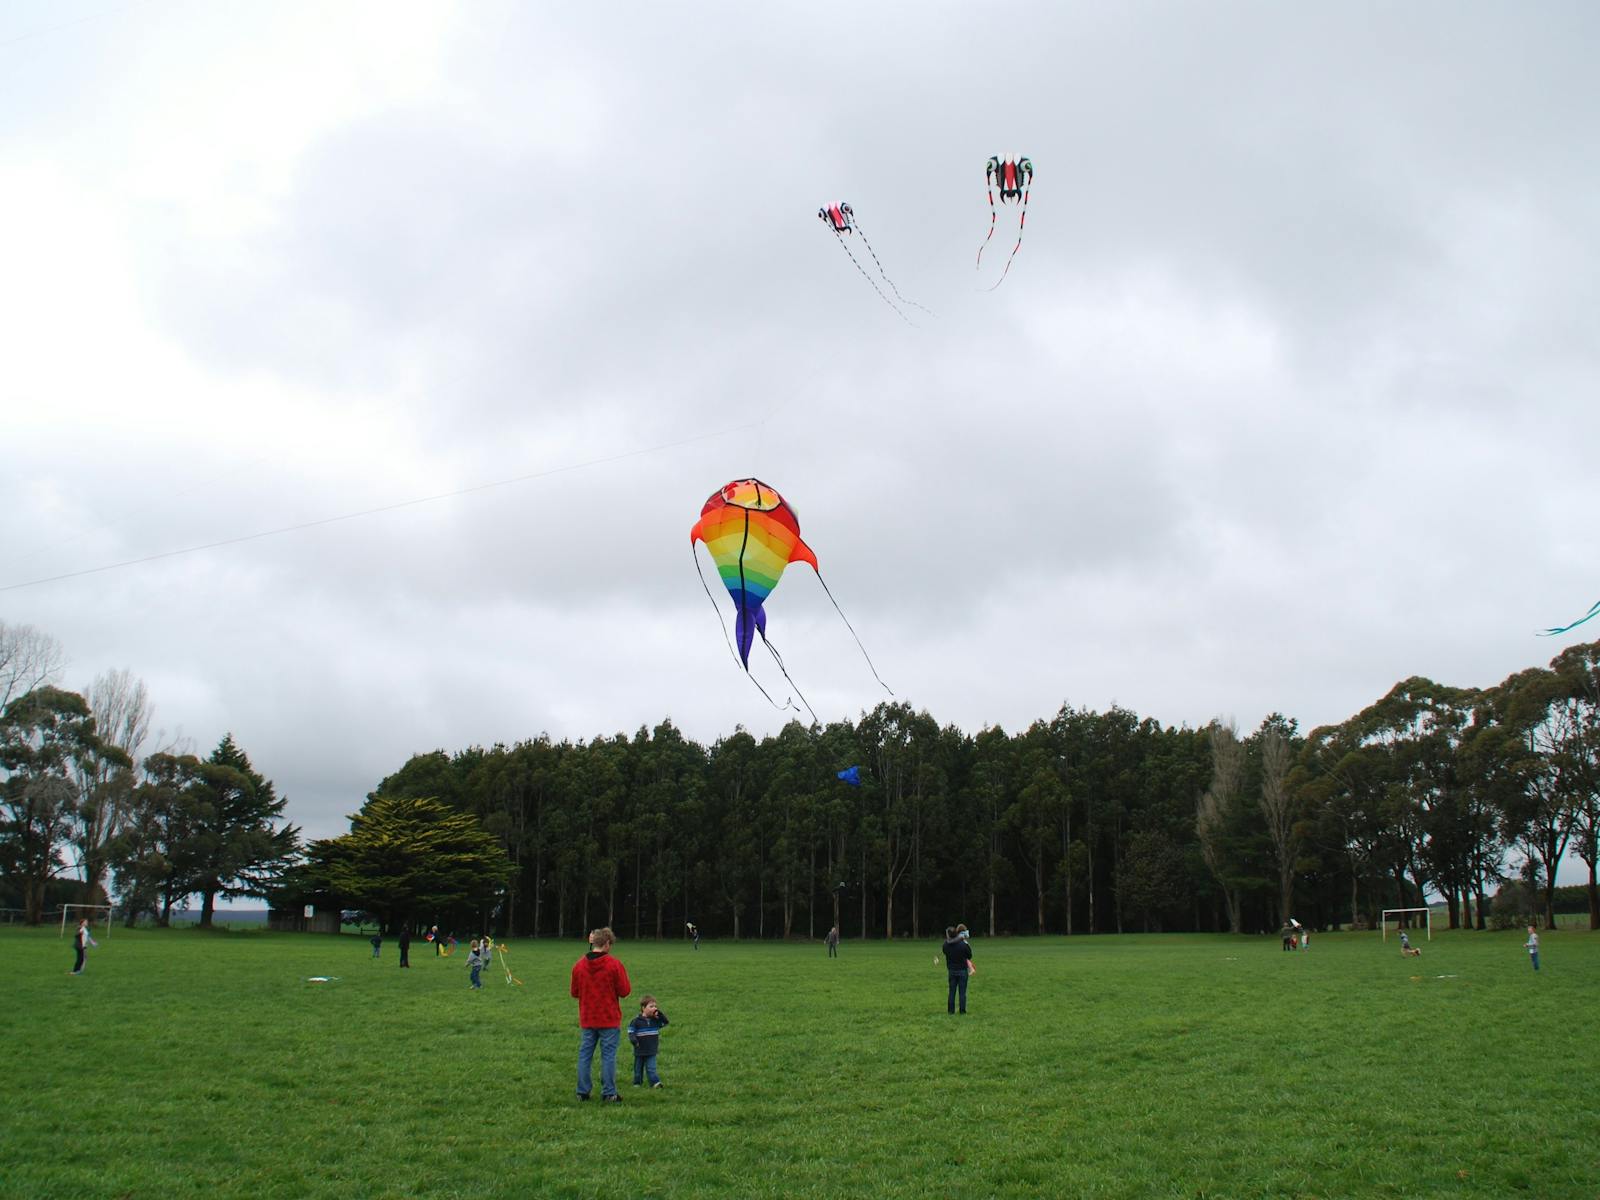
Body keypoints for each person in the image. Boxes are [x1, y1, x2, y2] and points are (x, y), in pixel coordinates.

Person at [571, 927, 632, 1103]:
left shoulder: (579, 965)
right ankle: (609, 1092)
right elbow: (625, 990)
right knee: (608, 1056)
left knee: (585, 1054)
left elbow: (575, 992)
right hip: (608, 1017)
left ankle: (582, 1091)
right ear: (606, 944)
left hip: (588, 1017)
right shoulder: (614, 964)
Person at [628, 995, 670, 1088]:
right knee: (638, 1069)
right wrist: (634, 1041)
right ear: (643, 1008)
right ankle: (637, 1082)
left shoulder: (655, 1021)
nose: (654, 1008)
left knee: (651, 1068)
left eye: (655, 1006)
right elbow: (631, 1032)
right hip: (639, 1049)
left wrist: (660, 1014)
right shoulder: (636, 1021)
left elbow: (666, 1022)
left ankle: (655, 1083)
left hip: (651, 1050)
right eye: (651, 1006)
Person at [941, 924, 974, 1014]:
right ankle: (962, 1011)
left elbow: (944, 951)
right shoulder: (963, 944)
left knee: (952, 992)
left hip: (951, 970)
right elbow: (969, 955)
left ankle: (951, 1011)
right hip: (962, 970)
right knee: (962, 992)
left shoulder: (946, 945)